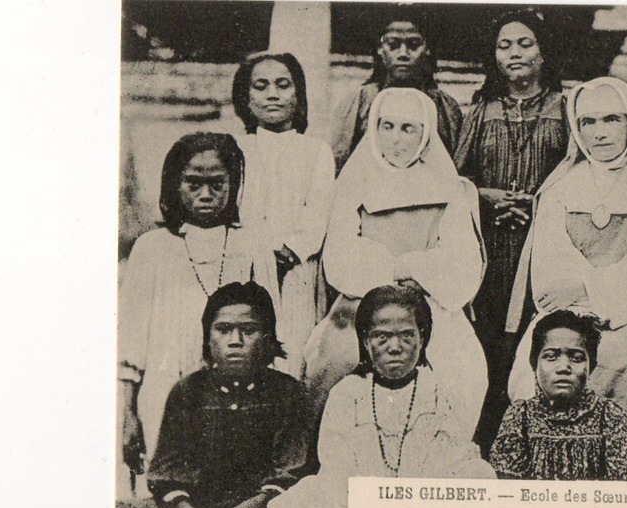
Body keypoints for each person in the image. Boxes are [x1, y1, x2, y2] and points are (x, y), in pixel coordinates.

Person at [506, 77, 627, 490]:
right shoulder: (561, 188)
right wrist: (592, 293)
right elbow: (549, 280)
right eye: (588, 121)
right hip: (566, 318)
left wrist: (592, 291)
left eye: (612, 119)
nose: (600, 132)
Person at [306, 89, 486, 431]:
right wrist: (402, 270)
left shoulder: (450, 189)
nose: (396, 139)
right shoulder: (353, 183)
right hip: (362, 301)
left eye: (408, 128)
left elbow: (462, 262)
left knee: (466, 369)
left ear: (425, 133)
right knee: (329, 357)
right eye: (387, 126)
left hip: (432, 301)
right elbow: (340, 256)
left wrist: (410, 270)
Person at [274, 286, 494, 508]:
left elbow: (452, 460)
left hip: (420, 502)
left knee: (481, 475)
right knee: (303, 497)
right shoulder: (348, 393)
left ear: (422, 338)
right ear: (366, 342)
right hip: (357, 500)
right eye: (382, 337)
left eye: (407, 335)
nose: (395, 347)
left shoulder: (437, 391)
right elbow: (336, 468)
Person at [119, 133, 265, 481]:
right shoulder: (151, 248)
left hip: (239, 399)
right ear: (174, 184)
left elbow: (270, 336)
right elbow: (130, 346)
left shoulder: (254, 245)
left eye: (217, 184)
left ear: (233, 184)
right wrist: (125, 413)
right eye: (193, 183)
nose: (205, 195)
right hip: (164, 394)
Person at [454, 10, 569, 444]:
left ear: (543, 52)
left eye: (525, 43)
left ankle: (537, 435)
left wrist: (537, 204)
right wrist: (489, 198)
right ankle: (486, 439)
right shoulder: (481, 110)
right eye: (505, 45)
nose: (515, 53)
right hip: (490, 248)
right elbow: (457, 179)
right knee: (488, 341)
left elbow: (578, 172)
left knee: (534, 339)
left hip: (543, 247)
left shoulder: (566, 107)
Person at [146, 281, 316, 508]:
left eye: (248, 330)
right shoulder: (187, 392)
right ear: (208, 337)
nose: (235, 340)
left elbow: (291, 472)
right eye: (223, 329)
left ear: (267, 338)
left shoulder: (288, 393)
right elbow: (165, 475)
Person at [230, 51, 334, 365]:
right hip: (242, 264)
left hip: (294, 272)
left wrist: (287, 254)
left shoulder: (315, 151)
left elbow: (318, 211)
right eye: (261, 86)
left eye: (283, 85)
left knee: (292, 349)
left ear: (298, 95)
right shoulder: (235, 149)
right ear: (245, 99)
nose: (272, 94)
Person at [489, 310, 627, 481]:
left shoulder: (610, 417)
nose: (563, 367)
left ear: (591, 366)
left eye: (576, 358)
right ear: (534, 364)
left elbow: (625, 491)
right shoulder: (520, 417)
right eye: (551, 357)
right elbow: (506, 489)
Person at [328, 10, 464, 171]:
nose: (403, 54)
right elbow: (338, 162)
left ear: (427, 48)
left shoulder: (445, 107)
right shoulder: (359, 101)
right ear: (380, 48)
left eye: (413, 45)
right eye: (393, 44)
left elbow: (456, 167)